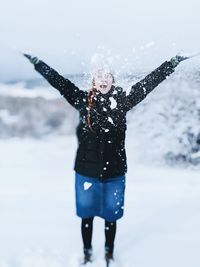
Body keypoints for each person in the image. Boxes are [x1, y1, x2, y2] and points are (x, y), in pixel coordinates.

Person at [23, 53, 187, 265]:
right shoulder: (82, 100)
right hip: (86, 173)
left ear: (112, 80)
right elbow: (59, 82)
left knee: (111, 216)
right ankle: (87, 251)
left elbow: (149, 82)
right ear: (94, 80)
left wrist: (171, 64)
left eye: (107, 76)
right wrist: (38, 64)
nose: (103, 79)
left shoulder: (123, 100)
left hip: (115, 173)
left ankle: (109, 251)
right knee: (86, 216)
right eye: (99, 76)